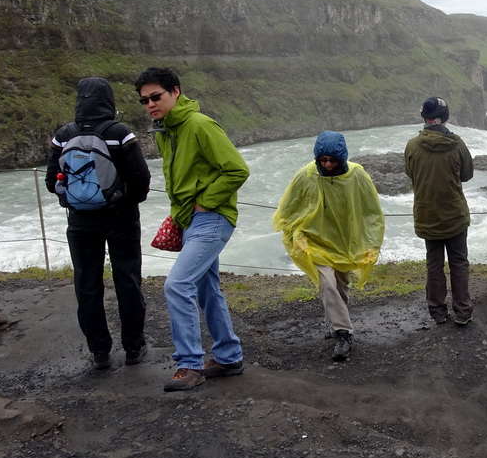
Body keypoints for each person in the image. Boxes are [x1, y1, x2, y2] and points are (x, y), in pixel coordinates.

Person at [135, 67, 250, 392]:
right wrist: (182, 214)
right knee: (205, 288)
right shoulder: (167, 131)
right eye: (145, 101)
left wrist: (205, 202)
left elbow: (237, 169)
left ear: (175, 91)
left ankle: (189, 365)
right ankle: (229, 358)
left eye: (156, 97)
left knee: (177, 284)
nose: (150, 105)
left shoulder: (199, 125)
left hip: (212, 219)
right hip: (191, 221)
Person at [46, 77, 151, 370]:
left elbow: (51, 181)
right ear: (109, 100)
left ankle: (99, 352)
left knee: (87, 284)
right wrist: (127, 201)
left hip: (80, 222)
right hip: (121, 219)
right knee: (127, 280)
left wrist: (73, 202)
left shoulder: (63, 136)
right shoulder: (120, 134)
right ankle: (133, 347)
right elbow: (141, 178)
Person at [273, 131, 385, 361]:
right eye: (323, 160)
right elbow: (288, 209)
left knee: (341, 286)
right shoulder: (306, 176)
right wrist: (297, 234)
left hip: (347, 241)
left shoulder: (357, 175)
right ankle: (344, 334)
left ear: (342, 158)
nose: (328, 165)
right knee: (327, 284)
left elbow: (372, 212)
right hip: (315, 242)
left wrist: (371, 243)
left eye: (333, 160)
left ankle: (335, 326)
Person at [404, 96, 475, 325]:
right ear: (445, 118)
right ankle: (463, 312)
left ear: (424, 117)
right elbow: (467, 174)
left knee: (434, 263)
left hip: (428, 215)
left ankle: (438, 312)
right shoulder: (457, 144)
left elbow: (410, 172)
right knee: (459, 262)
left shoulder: (413, 146)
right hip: (454, 215)